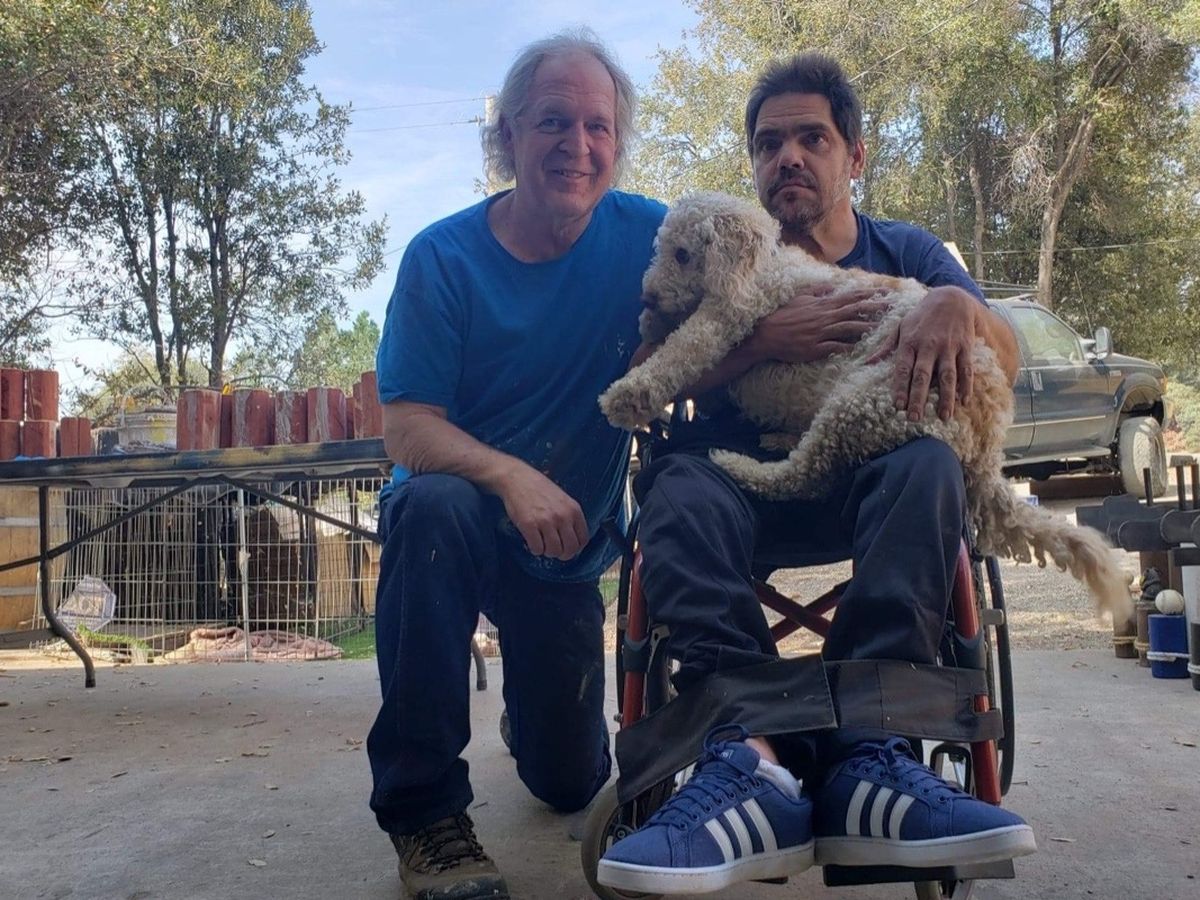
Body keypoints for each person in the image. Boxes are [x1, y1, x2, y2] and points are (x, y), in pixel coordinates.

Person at [597, 53, 1035, 896]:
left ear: (854, 156)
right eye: (769, 144)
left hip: (870, 474)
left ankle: (870, 751)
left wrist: (957, 303)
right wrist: (761, 344)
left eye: (812, 139)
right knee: (673, 491)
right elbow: (644, 378)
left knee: (929, 463)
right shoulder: (716, 250)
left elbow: (1003, 358)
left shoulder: (905, 249)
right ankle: (752, 757)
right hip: (733, 479)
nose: (788, 157)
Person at [367, 31, 666, 900]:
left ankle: (531, 723)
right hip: (458, 524)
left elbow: (751, 291)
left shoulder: (652, 239)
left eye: (598, 126)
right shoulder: (441, 258)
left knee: (571, 782)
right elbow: (406, 428)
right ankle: (424, 814)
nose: (578, 145)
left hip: (562, 550)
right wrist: (509, 475)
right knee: (432, 508)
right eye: (553, 122)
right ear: (507, 136)